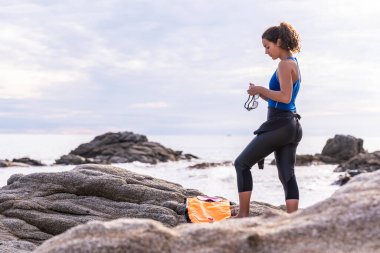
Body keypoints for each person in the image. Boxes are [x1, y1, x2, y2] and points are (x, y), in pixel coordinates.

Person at [234, 22, 303, 217]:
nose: (266, 52)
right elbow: (280, 98)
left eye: (267, 46)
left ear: (279, 41)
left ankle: (243, 215)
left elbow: (285, 97)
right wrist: (260, 92)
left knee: (241, 164)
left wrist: (261, 90)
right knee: (287, 175)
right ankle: (292, 219)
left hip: (281, 125)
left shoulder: (284, 64)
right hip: (292, 125)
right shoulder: (294, 62)